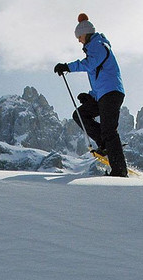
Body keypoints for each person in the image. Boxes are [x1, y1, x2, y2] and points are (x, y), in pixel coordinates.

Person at [54, 14, 127, 177]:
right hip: (102, 94)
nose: (78, 40)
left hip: (112, 93)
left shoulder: (99, 45)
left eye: (79, 37)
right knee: (80, 115)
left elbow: (90, 64)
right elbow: (99, 78)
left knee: (109, 130)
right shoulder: (93, 48)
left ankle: (120, 170)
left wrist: (68, 67)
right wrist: (90, 97)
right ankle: (104, 144)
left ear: (85, 33)